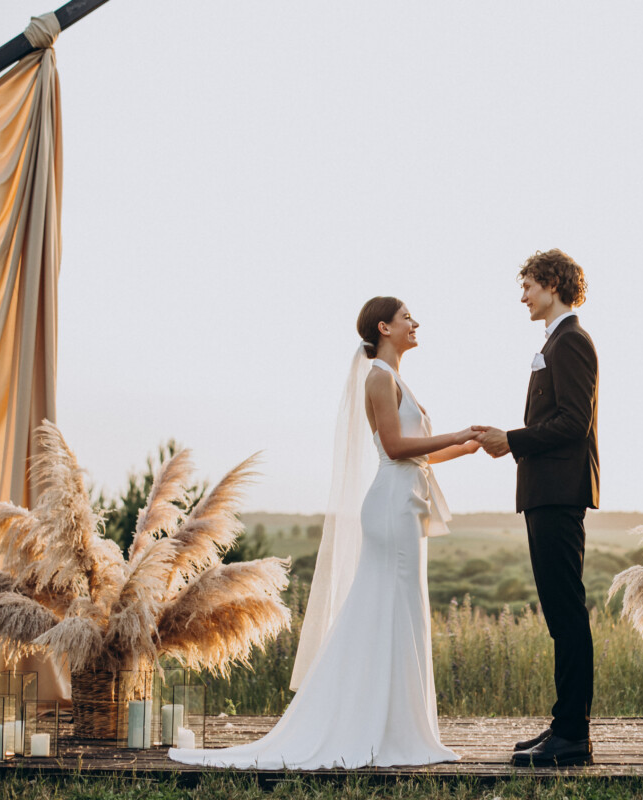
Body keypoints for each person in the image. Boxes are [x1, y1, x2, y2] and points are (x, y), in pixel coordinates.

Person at [169, 296, 479, 770]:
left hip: (406, 507)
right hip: (392, 507)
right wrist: (455, 434)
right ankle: (380, 730)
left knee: (401, 613)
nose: (416, 322)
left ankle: (401, 728)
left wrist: (470, 446)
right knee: (390, 610)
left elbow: (420, 453)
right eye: (406, 317)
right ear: (384, 327)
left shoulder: (397, 379)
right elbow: (395, 448)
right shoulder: (379, 377)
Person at [473, 249, 599, 768]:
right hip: (546, 492)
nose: (522, 296)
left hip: (558, 492)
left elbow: (574, 423)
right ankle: (563, 725)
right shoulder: (555, 341)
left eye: (527, 285)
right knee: (558, 614)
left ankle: (572, 736)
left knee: (566, 613)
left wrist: (512, 440)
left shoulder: (571, 342)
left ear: (552, 283)